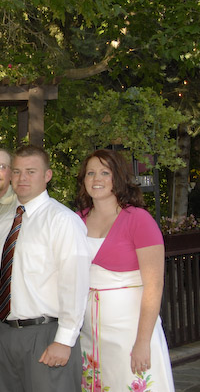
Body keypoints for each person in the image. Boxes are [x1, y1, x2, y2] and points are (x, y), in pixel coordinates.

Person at [0, 145, 89, 392]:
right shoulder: (2, 223)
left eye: (31, 171)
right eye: (17, 171)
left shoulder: (62, 221)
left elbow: (75, 283)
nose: (22, 178)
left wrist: (64, 340)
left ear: (47, 175)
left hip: (45, 336)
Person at [76, 149, 174, 391]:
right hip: (90, 333)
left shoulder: (138, 219)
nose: (96, 179)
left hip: (131, 331)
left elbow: (154, 285)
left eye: (104, 172)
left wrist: (142, 342)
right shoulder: (75, 220)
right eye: (90, 173)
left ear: (117, 177)